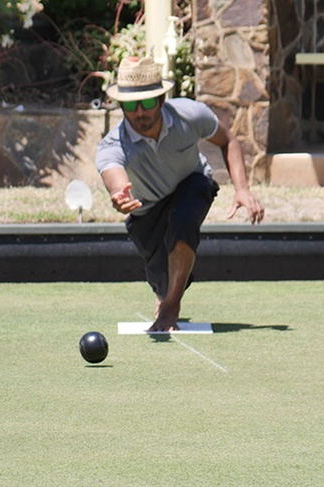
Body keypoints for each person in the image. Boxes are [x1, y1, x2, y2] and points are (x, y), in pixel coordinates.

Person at [95, 56, 265, 332]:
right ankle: (167, 294)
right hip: (147, 213)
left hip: (192, 184)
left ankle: (170, 309)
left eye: (147, 102)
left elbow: (228, 140)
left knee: (183, 222)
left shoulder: (190, 114)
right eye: (130, 105)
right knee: (164, 279)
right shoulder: (112, 146)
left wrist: (242, 190)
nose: (140, 112)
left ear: (161, 100)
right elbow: (115, 177)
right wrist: (119, 196)